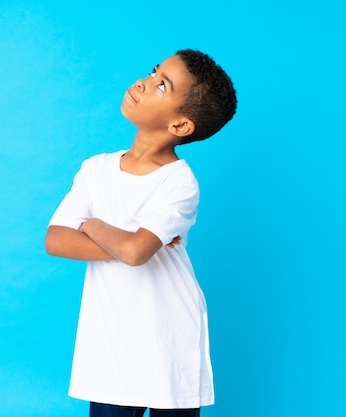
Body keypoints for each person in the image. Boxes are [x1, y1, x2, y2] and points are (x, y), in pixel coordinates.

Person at [45, 49, 237, 417]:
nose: (143, 82)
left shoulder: (179, 182)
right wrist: (135, 243)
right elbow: (55, 240)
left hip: (170, 339)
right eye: (153, 72)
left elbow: (135, 253)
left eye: (161, 84)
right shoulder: (95, 170)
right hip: (111, 342)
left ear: (180, 126)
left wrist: (90, 224)